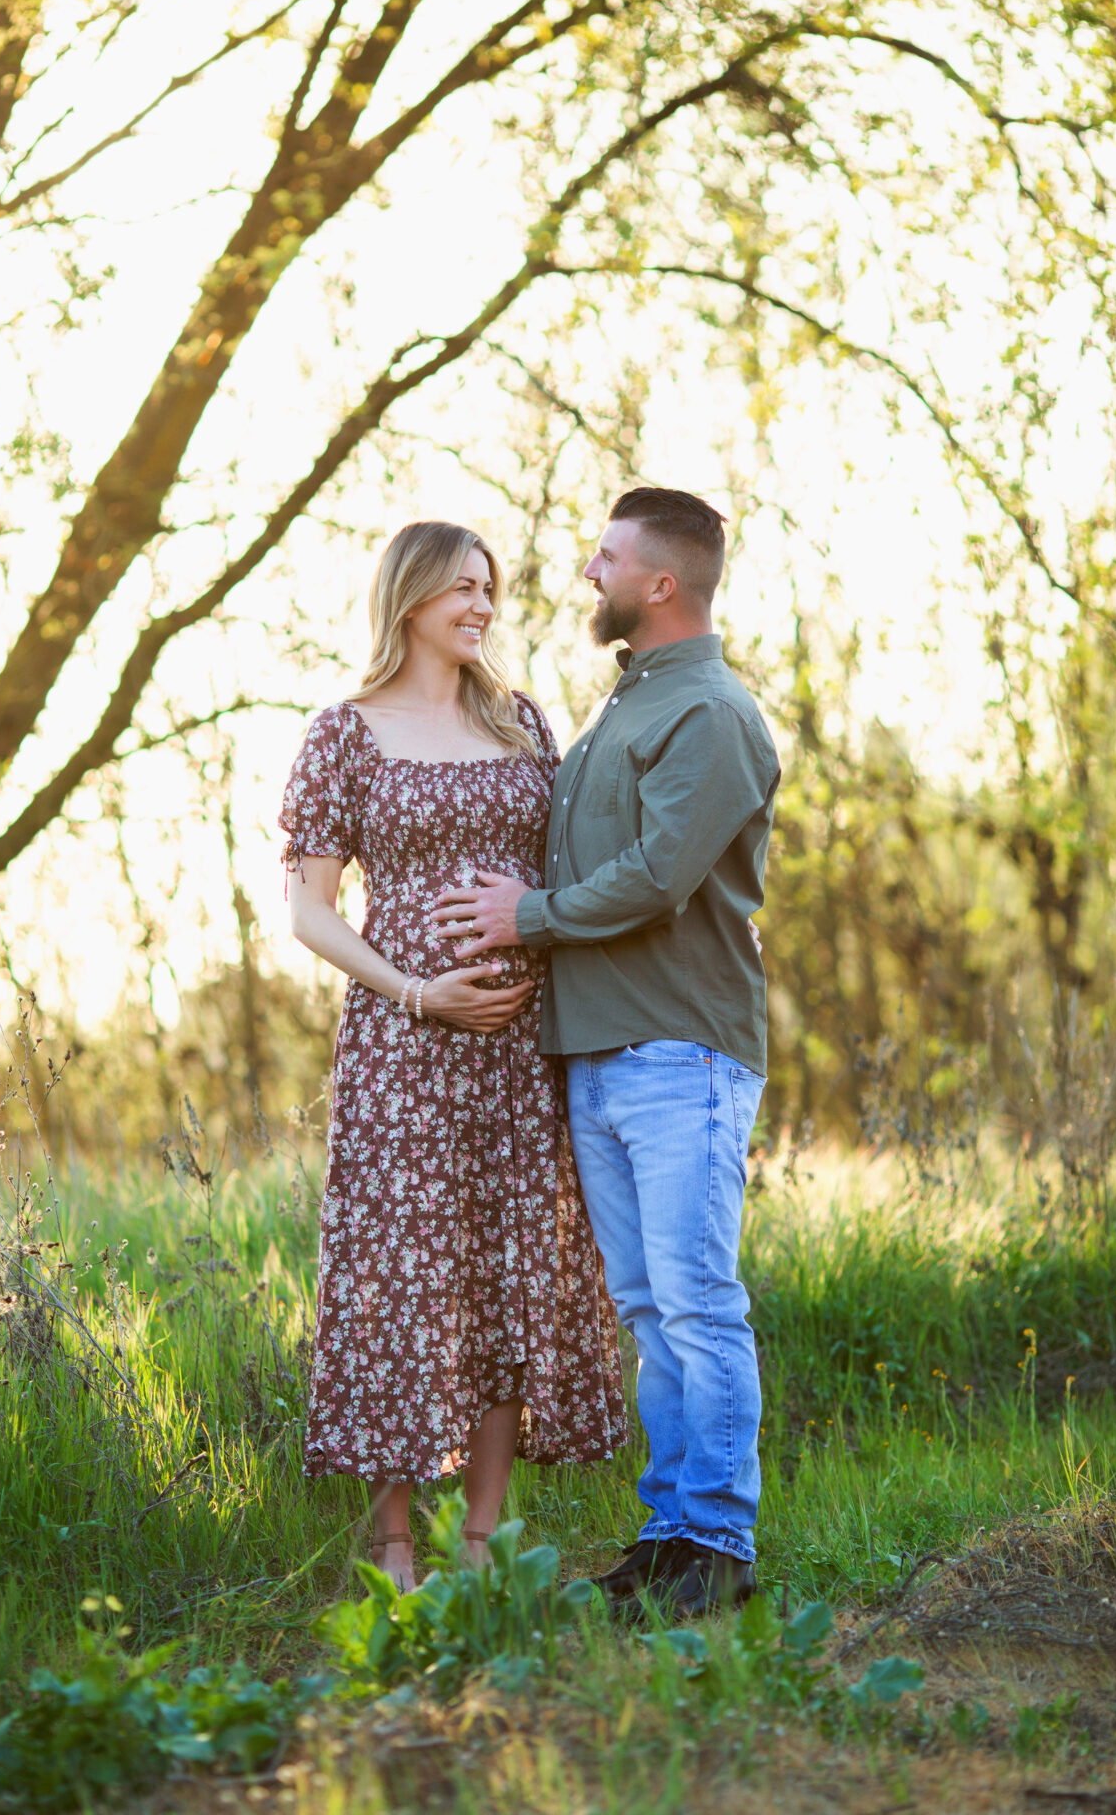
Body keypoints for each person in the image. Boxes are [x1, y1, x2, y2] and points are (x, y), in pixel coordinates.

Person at [432, 486, 779, 1619]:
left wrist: (522, 917)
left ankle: (716, 1547)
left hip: (681, 1050)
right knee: (647, 1307)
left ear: (660, 583)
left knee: (694, 1302)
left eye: (607, 556)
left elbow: (656, 876)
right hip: (601, 1054)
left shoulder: (710, 715)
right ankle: (670, 1534)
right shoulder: (623, 711)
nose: (589, 571)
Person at [280, 521, 625, 1593]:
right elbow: (306, 910)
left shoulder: (519, 721)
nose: (480, 605)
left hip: (521, 1053)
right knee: (398, 1283)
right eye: (461, 588)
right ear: (410, 596)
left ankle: (480, 1543)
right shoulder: (344, 733)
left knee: (503, 1278)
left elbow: (569, 868)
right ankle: (393, 1543)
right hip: (402, 1050)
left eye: (489, 588)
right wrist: (417, 990)